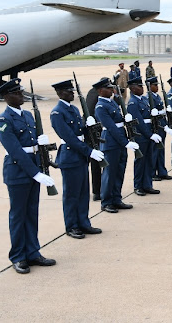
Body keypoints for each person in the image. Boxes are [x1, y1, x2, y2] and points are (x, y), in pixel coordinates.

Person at [0, 78, 57, 274]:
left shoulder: (29, 115)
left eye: (21, 92)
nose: (22, 96)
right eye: (17, 93)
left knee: (32, 213)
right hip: (18, 173)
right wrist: (36, 173)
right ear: (7, 97)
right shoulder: (3, 121)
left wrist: (42, 144)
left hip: (34, 170)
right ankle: (18, 256)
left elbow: (32, 144)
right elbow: (16, 151)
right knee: (18, 216)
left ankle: (32, 252)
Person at [49, 79, 104, 239]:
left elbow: (80, 132)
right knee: (72, 195)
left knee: (83, 192)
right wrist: (89, 152)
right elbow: (70, 138)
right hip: (70, 156)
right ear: (60, 93)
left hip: (80, 156)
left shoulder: (73, 109)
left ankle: (83, 223)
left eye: (72, 91)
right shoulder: (57, 113)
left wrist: (90, 127)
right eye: (68, 91)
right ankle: (72, 226)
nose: (72, 93)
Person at [93, 78, 135, 213]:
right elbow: (111, 127)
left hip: (120, 141)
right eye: (108, 88)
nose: (112, 90)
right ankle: (106, 202)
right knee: (109, 174)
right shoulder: (100, 106)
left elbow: (118, 121)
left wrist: (125, 119)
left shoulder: (112, 102)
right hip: (111, 142)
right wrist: (125, 142)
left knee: (119, 172)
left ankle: (116, 199)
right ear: (100, 91)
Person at [126, 77, 162, 196]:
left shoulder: (144, 100)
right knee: (140, 161)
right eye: (139, 86)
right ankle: (138, 186)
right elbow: (139, 122)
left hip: (149, 132)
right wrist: (150, 134)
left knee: (149, 160)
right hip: (141, 135)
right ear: (132, 89)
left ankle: (147, 184)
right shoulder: (132, 103)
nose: (142, 88)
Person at [146, 76, 172, 181]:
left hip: (161, 126)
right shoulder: (148, 98)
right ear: (149, 87)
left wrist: (165, 125)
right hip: (155, 128)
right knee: (154, 152)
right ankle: (153, 173)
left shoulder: (156, 96)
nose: (157, 87)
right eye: (155, 85)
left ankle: (162, 171)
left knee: (160, 150)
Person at [85, 82, 103, 201]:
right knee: (96, 163)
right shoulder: (94, 94)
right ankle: (97, 191)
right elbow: (90, 111)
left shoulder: (93, 92)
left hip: (95, 131)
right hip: (94, 132)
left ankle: (99, 189)